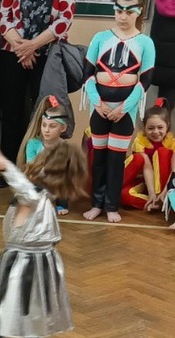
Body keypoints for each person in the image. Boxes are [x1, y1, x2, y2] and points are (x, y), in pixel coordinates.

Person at [0, 143, 83, 338]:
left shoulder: (36, 192)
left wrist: (6, 166)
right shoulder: (47, 194)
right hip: (43, 262)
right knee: (31, 316)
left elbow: (27, 193)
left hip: (21, 263)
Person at [82, 0, 154, 223]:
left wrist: (125, 108)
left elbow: (145, 80)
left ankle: (111, 205)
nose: (123, 16)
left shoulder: (146, 42)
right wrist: (97, 103)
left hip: (125, 110)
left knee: (116, 159)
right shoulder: (100, 37)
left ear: (138, 12)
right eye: (119, 11)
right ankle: (96, 204)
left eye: (128, 12)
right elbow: (87, 73)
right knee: (99, 157)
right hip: (100, 107)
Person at [0, 0, 74, 186]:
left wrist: (33, 45)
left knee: (43, 113)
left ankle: (38, 170)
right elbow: (4, 18)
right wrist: (23, 49)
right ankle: (10, 171)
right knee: (11, 112)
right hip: (13, 53)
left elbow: (65, 19)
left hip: (48, 55)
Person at [17, 94, 72, 214]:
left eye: (52, 126)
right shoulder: (33, 143)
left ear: (63, 128)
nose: (46, 130)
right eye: (44, 125)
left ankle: (61, 204)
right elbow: (31, 169)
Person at [121, 102, 174, 211]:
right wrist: (151, 193)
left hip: (165, 185)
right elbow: (147, 167)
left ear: (167, 126)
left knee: (163, 152)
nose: (156, 132)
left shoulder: (171, 143)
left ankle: (162, 198)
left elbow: (173, 172)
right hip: (145, 182)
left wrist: (165, 191)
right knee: (124, 195)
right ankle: (154, 202)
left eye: (160, 127)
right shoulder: (140, 142)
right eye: (150, 128)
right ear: (144, 127)